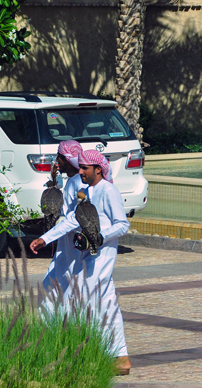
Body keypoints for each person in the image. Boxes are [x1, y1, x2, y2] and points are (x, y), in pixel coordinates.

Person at [31, 149, 131, 375]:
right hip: (86, 254)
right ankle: (117, 357)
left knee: (91, 298)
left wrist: (100, 237)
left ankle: (100, 354)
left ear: (98, 169)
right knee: (101, 301)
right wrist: (44, 239)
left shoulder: (109, 190)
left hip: (103, 254)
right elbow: (71, 221)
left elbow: (122, 224)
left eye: (85, 168)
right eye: (81, 167)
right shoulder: (84, 190)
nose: (81, 171)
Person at [40, 140, 86, 307]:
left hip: (75, 240)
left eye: (59, 158)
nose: (56, 162)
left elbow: (76, 218)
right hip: (65, 240)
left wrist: (46, 238)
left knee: (70, 282)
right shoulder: (73, 180)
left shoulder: (80, 183)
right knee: (55, 282)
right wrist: (54, 178)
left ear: (67, 159)